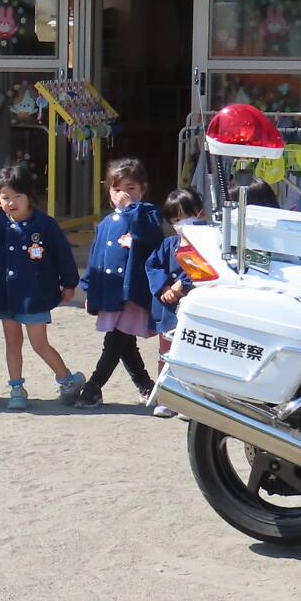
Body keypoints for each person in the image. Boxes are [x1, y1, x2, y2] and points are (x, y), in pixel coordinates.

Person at [0, 163, 83, 411]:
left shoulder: (44, 224)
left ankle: (67, 380)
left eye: (18, 196)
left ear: (30, 196)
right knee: (12, 342)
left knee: (39, 343)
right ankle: (16, 389)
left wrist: (69, 283)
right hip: (5, 296)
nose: (12, 202)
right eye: (6, 197)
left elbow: (63, 254)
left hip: (35, 294)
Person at [78, 158, 163, 409]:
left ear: (143, 188)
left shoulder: (147, 214)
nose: (123, 194)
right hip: (110, 291)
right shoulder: (106, 223)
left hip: (133, 291)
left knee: (115, 341)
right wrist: (90, 288)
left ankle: (94, 387)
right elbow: (96, 257)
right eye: (117, 189)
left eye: (130, 188)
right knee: (124, 342)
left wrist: (131, 208)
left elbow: (148, 234)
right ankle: (146, 386)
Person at [146, 187, 208, 418]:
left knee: (193, 355)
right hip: (168, 310)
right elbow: (152, 265)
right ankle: (166, 397)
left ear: (200, 213)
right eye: (176, 220)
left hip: (195, 310)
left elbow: (206, 269)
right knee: (166, 353)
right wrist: (163, 287)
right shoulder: (168, 245)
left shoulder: (207, 245)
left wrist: (183, 284)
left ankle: (190, 400)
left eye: (187, 216)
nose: (182, 223)